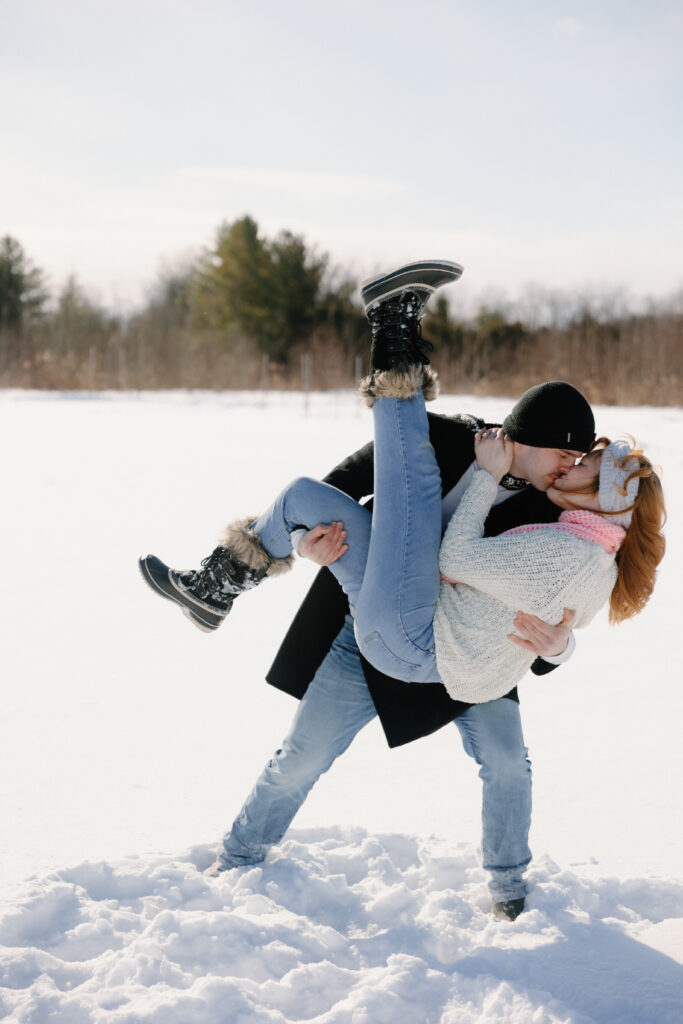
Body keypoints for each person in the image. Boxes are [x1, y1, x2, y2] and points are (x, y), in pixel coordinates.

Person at [139, 261, 665, 919]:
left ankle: (508, 891)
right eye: (562, 452)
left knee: (507, 763)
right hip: (374, 626)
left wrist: (557, 648)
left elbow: (569, 604)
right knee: (300, 756)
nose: (567, 466)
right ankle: (239, 857)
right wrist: (308, 546)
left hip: (467, 655)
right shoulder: (450, 438)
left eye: (577, 458)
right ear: (518, 438)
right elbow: (343, 483)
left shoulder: (557, 517)